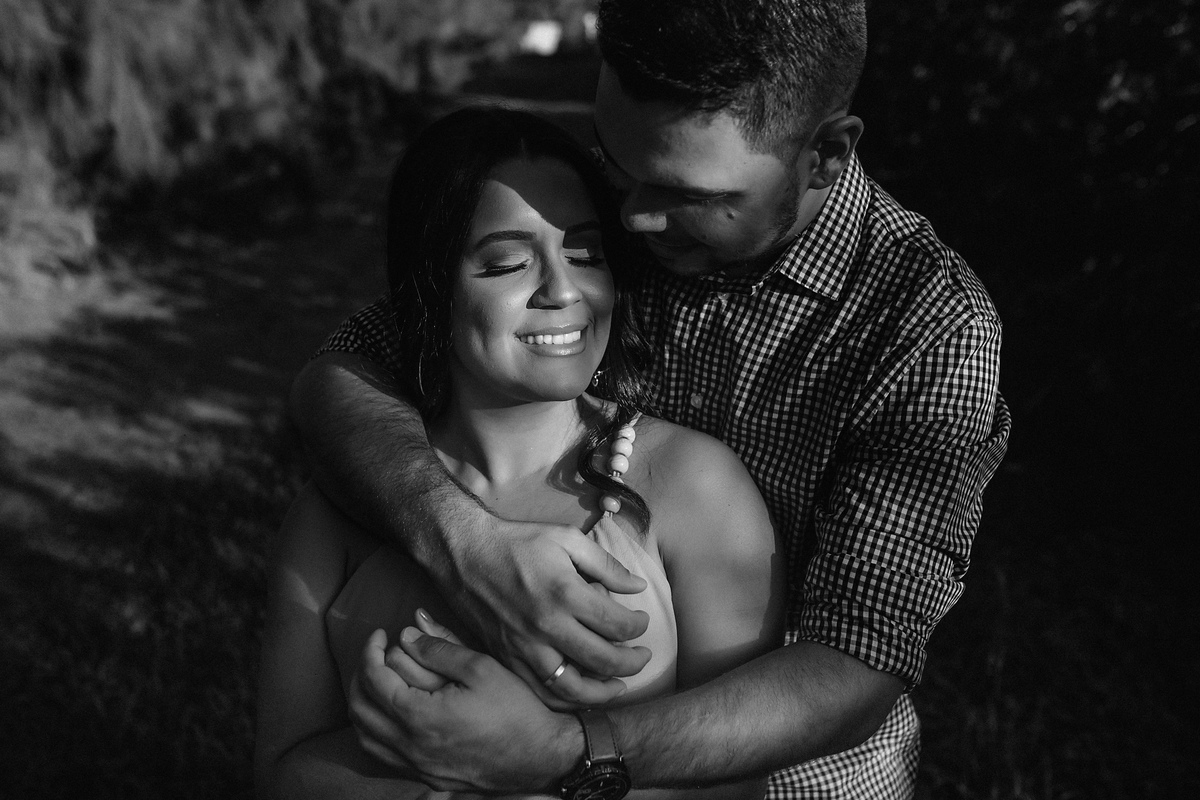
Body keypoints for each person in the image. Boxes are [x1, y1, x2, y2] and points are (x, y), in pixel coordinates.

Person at [289, 0, 1012, 796]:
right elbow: (343, 372)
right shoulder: (619, 220)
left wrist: (558, 755)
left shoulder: (925, 324)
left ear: (826, 154)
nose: (633, 214)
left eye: (686, 191)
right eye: (617, 163)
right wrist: (463, 544)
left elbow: (856, 661)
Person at [255, 106, 783, 799]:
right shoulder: (336, 513)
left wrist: (520, 763)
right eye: (506, 261)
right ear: (432, 287)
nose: (562, 291)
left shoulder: (693, 487)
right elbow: (280, 775)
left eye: (586, 254)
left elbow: (732, 785)